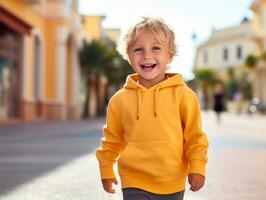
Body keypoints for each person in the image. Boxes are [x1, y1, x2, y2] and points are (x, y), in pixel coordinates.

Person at [96, 16, 209, 200]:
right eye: (138, 49)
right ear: (129, 56)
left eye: (156, 48)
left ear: (169, 55)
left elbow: (195, 137)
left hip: (172, 181)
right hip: (134, 180)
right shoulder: (119, 100)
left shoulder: (184, 96)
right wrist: (106, 167)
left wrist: (197, 167)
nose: (147, 56)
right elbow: (111, 139)